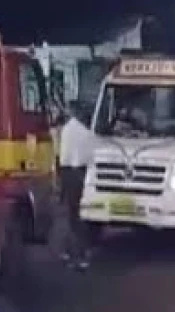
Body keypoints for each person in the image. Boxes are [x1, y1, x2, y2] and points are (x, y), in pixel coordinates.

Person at [57, 100, 95, 269]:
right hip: (82, 172)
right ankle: (76, 252)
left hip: (68, 173)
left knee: (71, 215)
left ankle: (75, 254)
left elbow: (62, 155)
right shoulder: (86, 132)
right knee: (77, 214)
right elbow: (91, 156)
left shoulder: (67, 130)